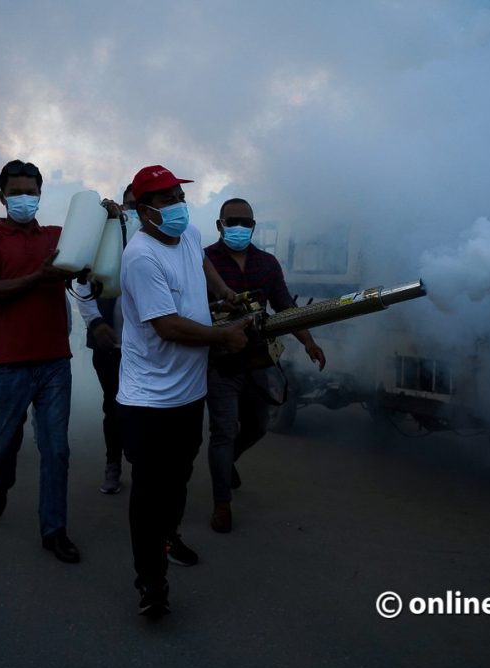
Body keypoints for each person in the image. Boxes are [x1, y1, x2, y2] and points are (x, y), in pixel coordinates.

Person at [116, 164, 247, 616]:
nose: (177, 206)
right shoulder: (140, 257)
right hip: (149, 399)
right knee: (149, 492)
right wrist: (223, 336)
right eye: (166, 200)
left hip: (188, 394)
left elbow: (203, 261)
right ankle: (150, 583)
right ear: (144, 211)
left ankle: (168, 537)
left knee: (178, 476)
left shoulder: (187, 232)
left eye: (178, 195)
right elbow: (168, 326)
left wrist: (226, 293)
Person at [0, 159, 90, 564]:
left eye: (32, 192)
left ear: (41, 194)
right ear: (2, 196)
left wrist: (112, 216)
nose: (25, 199)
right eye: (17, 192)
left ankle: (54, 530)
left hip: (56, 361)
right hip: (9, 364)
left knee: (56, 450)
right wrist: (34, 279)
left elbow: (94, 251)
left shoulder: (57, 237)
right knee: (2, 445)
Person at [204, 198, 327, 533]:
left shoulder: (267, 264)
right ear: (219, 225)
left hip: (258, 361)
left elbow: (286, 307)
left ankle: (228, 461)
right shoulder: (204, 261)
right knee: (223, 430)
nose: (239, 227)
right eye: (232, 221)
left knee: (258, 425)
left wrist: (309, 342)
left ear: (254, 226)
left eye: (246, 222)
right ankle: (222, 505)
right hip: (221, 362)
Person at [74, 184, 138, 494]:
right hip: (110, 346)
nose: (135, 210)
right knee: (113, 407)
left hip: (148, 348)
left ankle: (139, 462)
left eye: (143, 204)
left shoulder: (162, 243)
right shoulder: (105, 239)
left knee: (144, 409)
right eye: (130, 204)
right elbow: (83, 286)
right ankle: (113, 464)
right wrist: (96, 321)